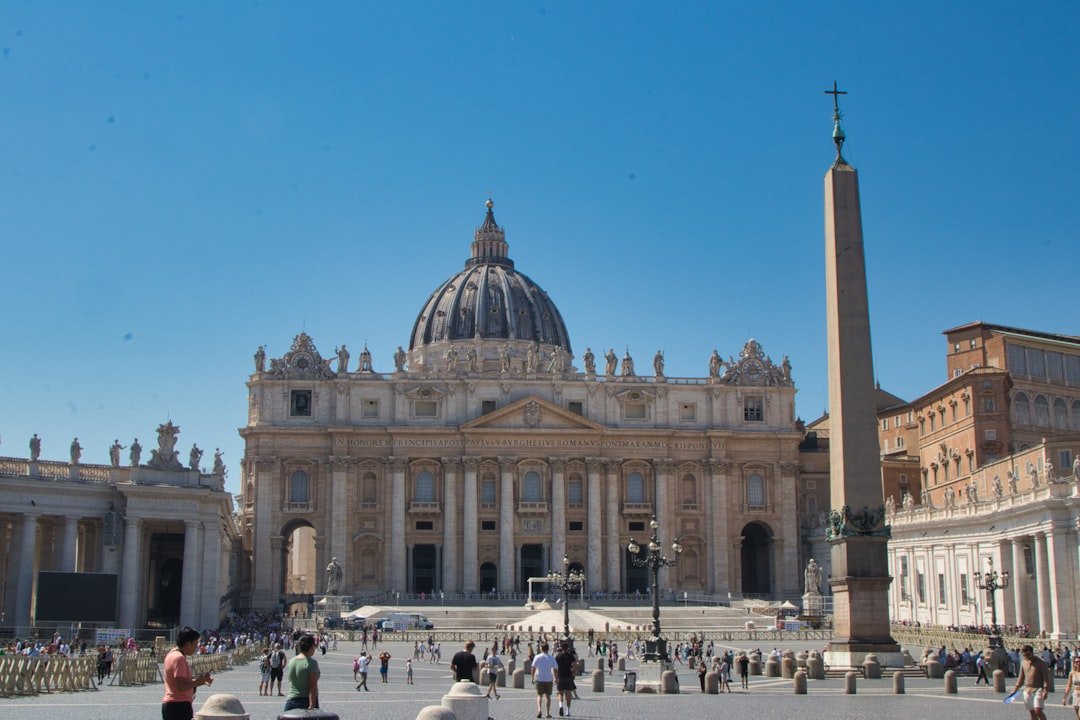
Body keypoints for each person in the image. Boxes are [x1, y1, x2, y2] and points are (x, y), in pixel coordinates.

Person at [162, 626, 213, 720]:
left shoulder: (172, 654)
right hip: (178, 706)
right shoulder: (179, 658)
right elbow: (181, 686)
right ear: (188, 644)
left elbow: (178, 682)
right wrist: (199, 682)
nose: (196, 648)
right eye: (196, 644)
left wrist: (199, 681)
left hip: (172, 705)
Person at [1012, 643, 1052, 720]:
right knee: (1032, 712)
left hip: (1038, 689)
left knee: (1038, 710)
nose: (1027, 657)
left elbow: (1046, 678)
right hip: (1027, 690)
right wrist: (1015, 689)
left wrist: (1046, 691)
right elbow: (1020, 678)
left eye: (1028, 654)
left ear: (1032, 652)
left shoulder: (1041, 663)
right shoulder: (1023, 663)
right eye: (1025, 655)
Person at [284, 634, 320, 712]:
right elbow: (312, 686)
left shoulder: (292, 661)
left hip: (291, 700)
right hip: (305, 701)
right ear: (311, 646)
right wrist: (312, 706)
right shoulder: (311, 663)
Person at [532, 642, 558, 719]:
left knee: (539, 696)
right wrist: (556, 678)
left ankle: (539, 710)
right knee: (548, 697)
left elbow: (533, 668)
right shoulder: (551, 658)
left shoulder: (537, 657)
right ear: (548, 649)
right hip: (548, 679)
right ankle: (547, 713)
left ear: (541, 648)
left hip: (539, 679)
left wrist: (532, 678)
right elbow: (555, 669)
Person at [555, 642, 576, 716]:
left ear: (561, 648)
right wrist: (573, 671)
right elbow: (574, 665)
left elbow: (555, 667)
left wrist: (556, 677)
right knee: (568, 694)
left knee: (560, 693)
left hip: (560, 676)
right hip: (568, 676)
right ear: (567, 648)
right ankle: (568, 711)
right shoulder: (570, 656)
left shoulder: (558, 656)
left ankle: (560, 706)